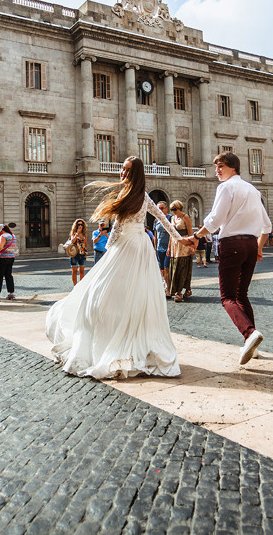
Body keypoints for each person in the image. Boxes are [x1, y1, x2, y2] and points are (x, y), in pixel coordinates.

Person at [46, 157, 182, 379]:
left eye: (126, 170)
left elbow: (118, 227)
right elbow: (164, 220)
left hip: (125, 247)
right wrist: (179, 238)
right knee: (139, 293)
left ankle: (109, 342)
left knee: (103, 292)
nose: (122, 173)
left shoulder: (127, 194)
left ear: (134, 173)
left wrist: (109, 250)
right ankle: (135, 341)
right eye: (122, 169)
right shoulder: (143, 195)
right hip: (142, 248)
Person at [188, 152, 273, 365]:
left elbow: (216, 220)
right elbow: (267, 226)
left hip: (232, 244)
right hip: (251, 245)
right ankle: (251, 344)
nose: (217, 171)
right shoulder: (252, 189)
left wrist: (196, 236)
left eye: (221, 167)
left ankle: (249, 333)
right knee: (242, 295)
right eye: (216, 167)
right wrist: (259, 247)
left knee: (227, 297)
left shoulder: (226, 187)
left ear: (233, 167)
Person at [167, 200, 194, 302]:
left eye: (175, 209)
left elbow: (191, 232)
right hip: (174, 245)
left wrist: (192, 247)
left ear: (179, 208)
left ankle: (179, 292)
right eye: (172, 209)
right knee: (174, 268)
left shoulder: (185, 217)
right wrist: (169, 248)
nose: (173, 211)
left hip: (184, 245)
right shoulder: (172, 218)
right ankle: (182, 289)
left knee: (183, 268)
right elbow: (171, 234)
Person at [0, 223, 18, 300]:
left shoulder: (3, 236)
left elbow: (0, 247)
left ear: (2, 231)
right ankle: (11, 293)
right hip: (11, 257)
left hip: (2, 258)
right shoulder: (13, 236)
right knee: (8, 275)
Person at [152, 201, 172, 290]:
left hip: (168, 248)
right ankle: (166, 282)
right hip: (160, 248)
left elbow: (173, 234)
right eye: (158, 208)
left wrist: (171, 247)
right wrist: (155, 248)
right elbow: (155, 236)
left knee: (167, 268)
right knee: (162, 270)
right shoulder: (156, 220)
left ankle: (168, 289)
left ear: (166, 209)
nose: (159, 210)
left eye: (162, 208)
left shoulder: (171, 218)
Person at [67, 219, 89, 285]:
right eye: (78, 224)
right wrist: (77, 233)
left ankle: (81, 287)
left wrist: (86, 253)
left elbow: (86, 244)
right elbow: (72, 241)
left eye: (81, 224)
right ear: (76, 225)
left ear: (83, 225)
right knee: (74, 270)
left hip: (82, 254)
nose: (80, 226)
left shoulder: (84, 234)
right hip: (74, 254)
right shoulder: (73, 232)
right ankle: (75, 287)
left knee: (82, 271)